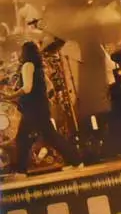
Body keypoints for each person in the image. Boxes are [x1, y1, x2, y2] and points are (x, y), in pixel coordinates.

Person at [1, 41, 82, 174]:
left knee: (23, 138)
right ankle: (76, 160)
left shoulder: (27, 65)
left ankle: (21, 171)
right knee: (49, 136)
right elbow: (49, 86)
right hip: (41, 107)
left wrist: (10, 96)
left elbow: (27, 88)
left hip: (32, 108)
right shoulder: (38, 68)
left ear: (25, 53)